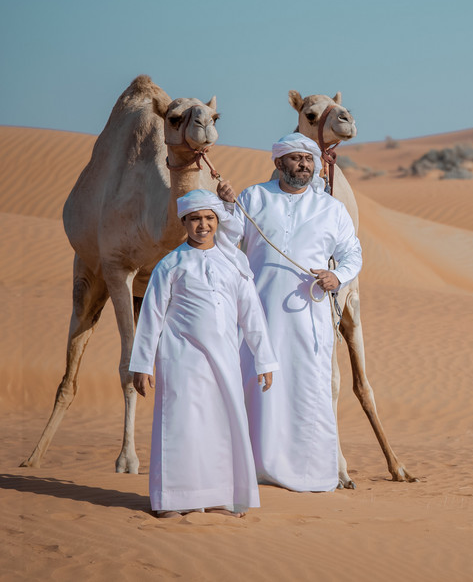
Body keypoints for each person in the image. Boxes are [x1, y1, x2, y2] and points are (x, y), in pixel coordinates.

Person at [217, 132, 362, 492]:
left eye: (309, 160)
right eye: (296, 159)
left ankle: (309, 472)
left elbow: (352, 254)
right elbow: (228, 238)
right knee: (256, 384)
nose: (304, 165)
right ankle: (254, 467)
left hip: (307, 315)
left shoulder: (331, 209)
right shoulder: (254, 197)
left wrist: (337, 275)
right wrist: (226, 207)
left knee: (307, 387)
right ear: (279, 163)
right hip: (258, 313)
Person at [128, 190, 279, 518]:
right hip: (181, 359)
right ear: (184, 222)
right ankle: (173, 500)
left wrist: (264, 359)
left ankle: (220, 498)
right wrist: (142, 364)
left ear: (217, 221)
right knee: (180, 427)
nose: (203, 225)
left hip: (225, 361)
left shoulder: (233, 264)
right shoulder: (171, 264)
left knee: (221, 428)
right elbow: (151, 315)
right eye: (196, 219)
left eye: (209, 218)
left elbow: (252, 315)